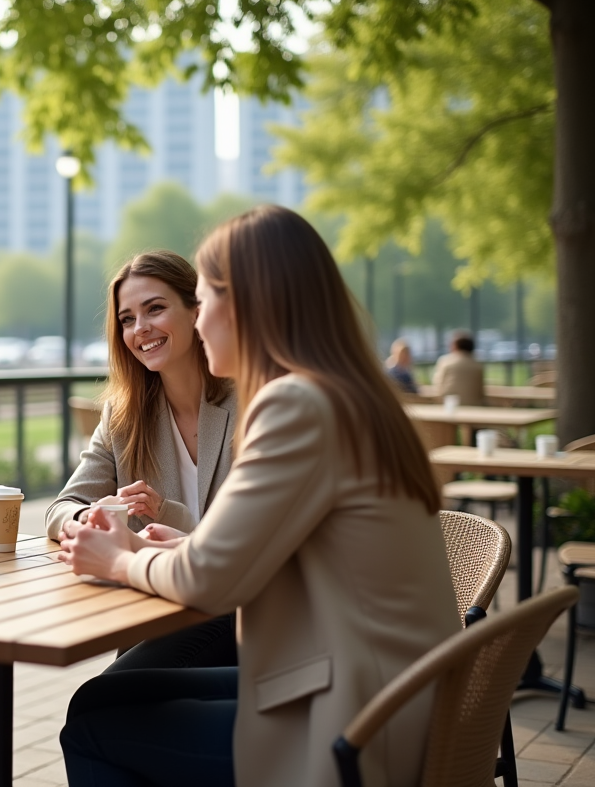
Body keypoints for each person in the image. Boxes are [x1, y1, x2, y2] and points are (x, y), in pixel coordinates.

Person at [56, 205, 460, 787]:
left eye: (209, 298)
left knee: (92, 727)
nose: (200, 319)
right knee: (101, 702)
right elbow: (249, 558)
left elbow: (212, 581)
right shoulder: (343, 395)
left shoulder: (293, 404)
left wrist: (120, 558)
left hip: (357, 723)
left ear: (249, 304)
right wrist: (185, 548)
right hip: (388, 692)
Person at [46, 250, 238, 671]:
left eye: (155, 309)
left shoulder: (249, 403)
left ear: (196, 311)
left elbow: (244, 548)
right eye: (127, 318)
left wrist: (165, 513)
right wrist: (92, 519)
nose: (141, 329)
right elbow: (60, 510)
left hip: (239, 616)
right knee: (98, 707)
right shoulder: (124, 415)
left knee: (101, 709)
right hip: (159, 609)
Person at [433, 330, 486, 405]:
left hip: (449, 404)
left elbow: (438, 384)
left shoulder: (445, 361)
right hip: (473, 404)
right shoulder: (478, 364)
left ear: (455, 346)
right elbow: (480, 391)